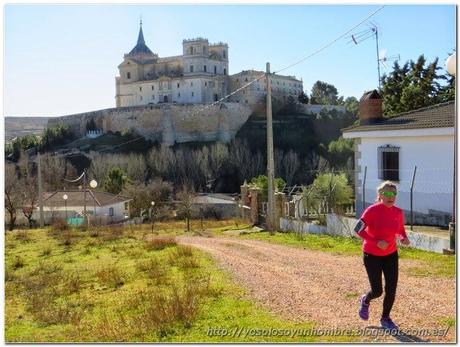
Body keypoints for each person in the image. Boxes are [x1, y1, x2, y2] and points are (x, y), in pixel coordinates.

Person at [354, 181, 410, 331]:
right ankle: (366, 300)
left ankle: (385, 318)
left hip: (391, 254)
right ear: (379, 195)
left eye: (393, 193)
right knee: (377, 291)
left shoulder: (398, 212)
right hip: (371, 255)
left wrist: (403, 238)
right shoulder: (371, 211)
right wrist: (375, 241)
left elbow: (400, 230)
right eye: (387, 193)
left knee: (391, 289)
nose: (390, 197)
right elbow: (357, 229)